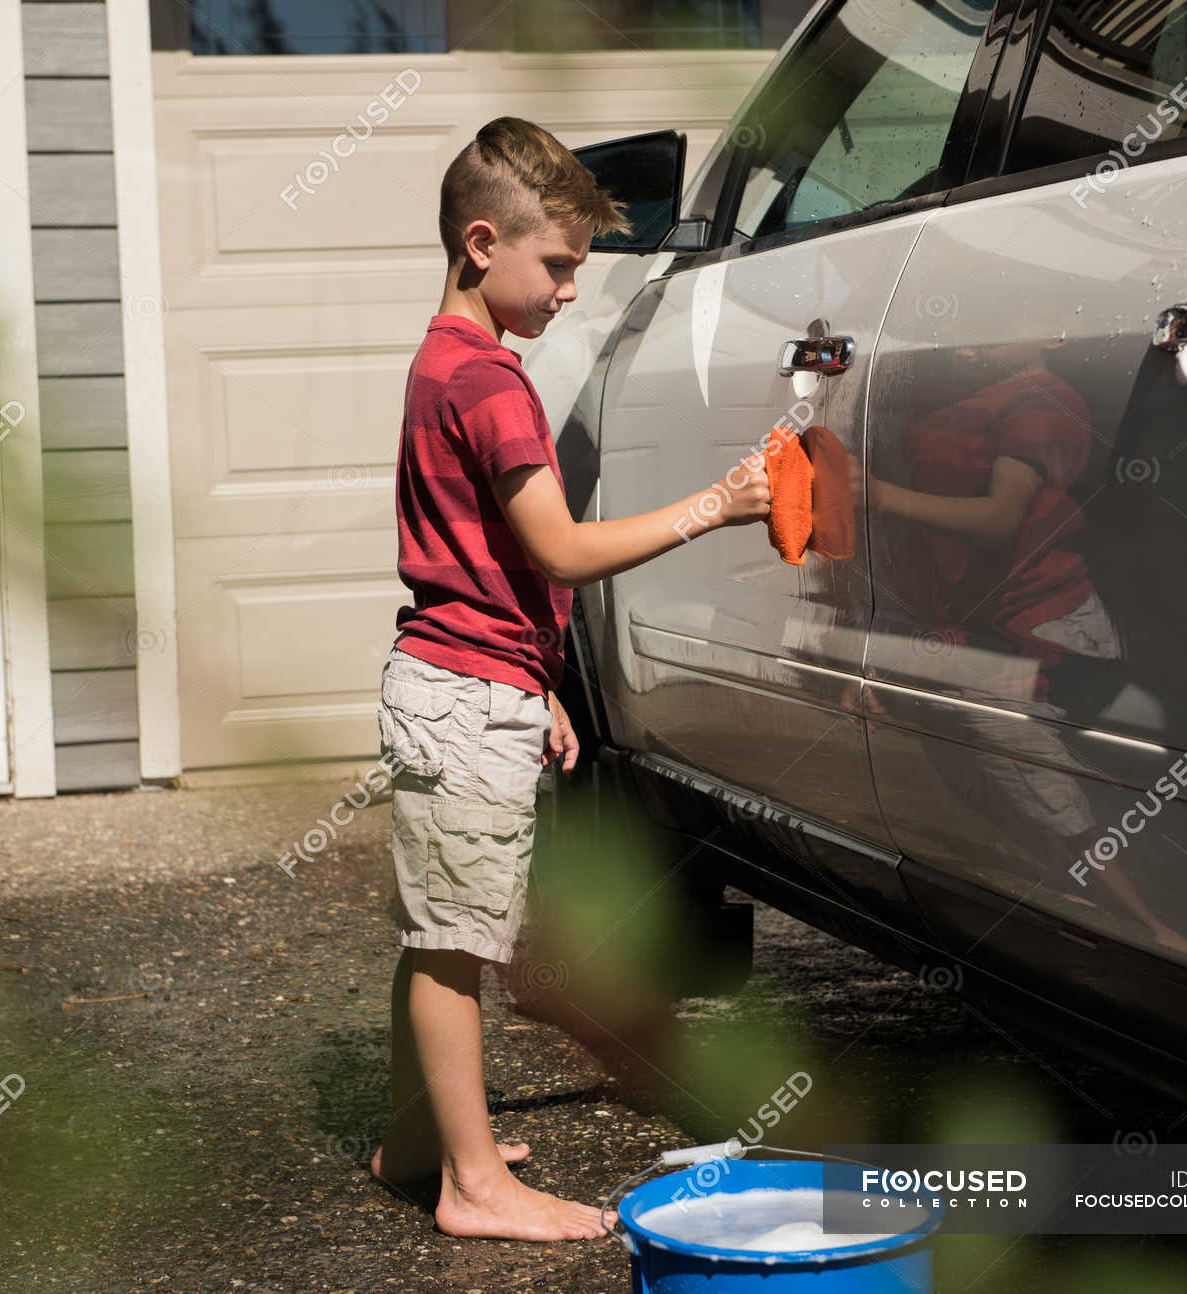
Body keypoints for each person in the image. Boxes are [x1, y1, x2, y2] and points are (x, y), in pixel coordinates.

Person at [369, 116, 771, 1242]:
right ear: (482, 241)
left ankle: (421, 1136)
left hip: (459, 676)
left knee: (437, 930)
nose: (568, 292)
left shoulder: (441, 363)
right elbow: (555, 548)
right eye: (555, 266)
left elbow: (477, 561)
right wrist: (717, 506)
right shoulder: (492, 384)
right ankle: (472, 1184)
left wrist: (533, 675)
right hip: (461, 695)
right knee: (457, 949)